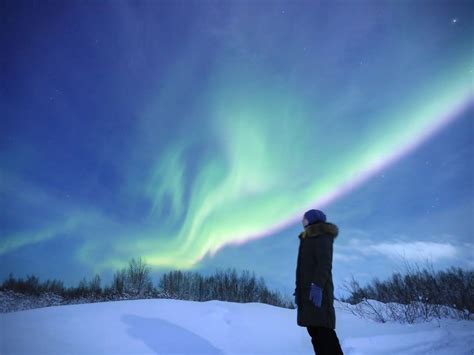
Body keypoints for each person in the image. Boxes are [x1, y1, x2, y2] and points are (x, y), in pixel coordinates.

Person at [295, 209, 343, 355]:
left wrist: (318, 286)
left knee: (324, 331)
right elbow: (302, 270)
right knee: (314, 332)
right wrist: (299, 290)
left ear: (313, 219)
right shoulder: (307, 239)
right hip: (306, 292)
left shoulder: (322, 236)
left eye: (305, 218)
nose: (303, 221)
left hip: (318, 291)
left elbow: (324, 264)